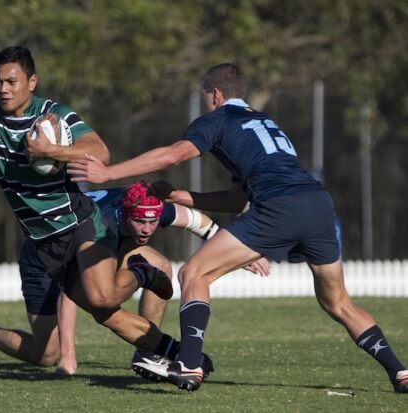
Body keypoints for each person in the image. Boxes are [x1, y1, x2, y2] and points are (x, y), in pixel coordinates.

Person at [67, 63, 408, 393]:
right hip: (317, 203)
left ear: (215, 95)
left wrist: (108, 174)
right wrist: (176, 196)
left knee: (193, 274)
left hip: (280, 207)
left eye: (205, 97)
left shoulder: (218, 119)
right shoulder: (264, 123)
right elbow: (234, 201)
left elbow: (173, 155)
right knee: (339, 303)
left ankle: (188, 364)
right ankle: (400, 371)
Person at [0, 19, 186, 371]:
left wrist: (49, 151)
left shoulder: (54, 115)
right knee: (45, 355)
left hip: (80, 227)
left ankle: (173, 338)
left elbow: (99, 152)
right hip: (40, 248)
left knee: (104, 303)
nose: (4, 89)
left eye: (12, 81)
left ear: (32, 82)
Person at [55, 181, 270, 375]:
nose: (147, 229)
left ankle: (147, 354)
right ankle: (66, 355)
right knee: (90, 309)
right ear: (127, 213)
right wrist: (67, 357)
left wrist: (237, 249)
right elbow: (69, 288)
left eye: (153, 222)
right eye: (140, 221)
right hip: (62, 255)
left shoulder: (149, 206)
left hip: (117, 238)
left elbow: (196, 220)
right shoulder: (100, 224)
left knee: (161, 267)